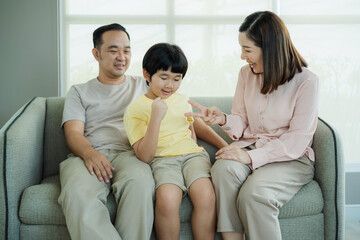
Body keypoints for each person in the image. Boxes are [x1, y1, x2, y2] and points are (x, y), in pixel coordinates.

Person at [58, 23, 226, 240]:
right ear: (96, 53)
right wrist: (90, 154)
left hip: (132, 155)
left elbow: (186, 118)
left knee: (141, 184)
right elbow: (73, 133)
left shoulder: (150, 83)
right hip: (90, 154)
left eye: (126, 50)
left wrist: (224, 145)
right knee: (77, 194)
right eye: (113, 50)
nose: (121, 56)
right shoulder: (79, 92)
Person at [186, 11, 319, 240]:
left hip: (291, 159)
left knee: (254, 194)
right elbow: (242, 119)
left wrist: (250, 158)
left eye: (247, 50)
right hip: (252, 147)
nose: (242, 56)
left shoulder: (306, 81)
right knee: (223, 169)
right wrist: (224, 119)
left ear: (270, 48)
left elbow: (297, 140)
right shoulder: (246, 74)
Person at [124, 43, 219, 240]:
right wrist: (155, 118)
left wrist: (196, 144)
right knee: (167, 200)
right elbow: (144, 155)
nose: (170, 85)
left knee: (206, 196)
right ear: (147, 75)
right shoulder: (135, 110)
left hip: (193, 157)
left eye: (177, 79)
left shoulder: (182, 98)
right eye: (164, 77)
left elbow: (190, 128)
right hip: (162, 161)